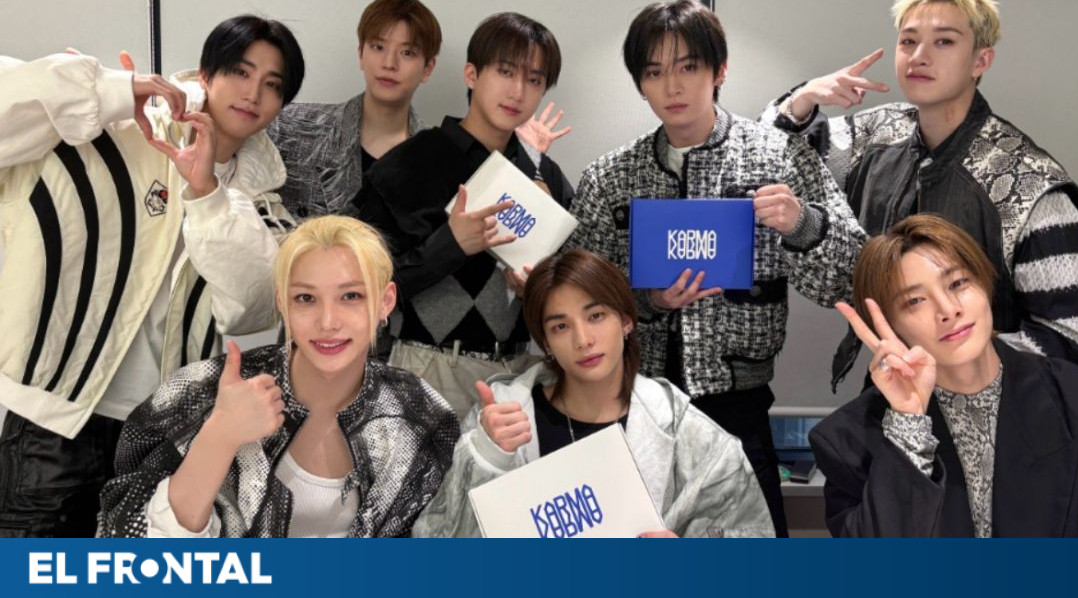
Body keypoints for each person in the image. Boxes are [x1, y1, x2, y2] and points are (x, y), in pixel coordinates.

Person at [568, 0, 866, 537]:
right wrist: (648, 302)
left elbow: (849, 278)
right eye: (654, 72)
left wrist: (802, 224)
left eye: (688, 66)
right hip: (635, 407)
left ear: (719, 70)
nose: (672, 86)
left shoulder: (779, 158)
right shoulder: (609, 178)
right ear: (640, 84)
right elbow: (579, 302)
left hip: (740, 408)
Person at [0, 15, 302, 537]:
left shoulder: (261, 199)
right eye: (240, 71)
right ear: (206, 73)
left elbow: (252, 304)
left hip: (161, 434)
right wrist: (108, 91)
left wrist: (206, 194)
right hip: (53, 419)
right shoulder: (110, 127)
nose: (253, 93)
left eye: (272, 85)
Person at [765, 0, 1078, 388]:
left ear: (981, 61)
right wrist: (803, 100)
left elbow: (1073, 332)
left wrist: (952, 370)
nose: (919, 57)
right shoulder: (876, 134)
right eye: (909, 41)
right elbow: (766, 160)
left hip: (997, 406)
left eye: (944, 41)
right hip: (891, 387)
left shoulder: (1029, 181)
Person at [98, 216, 459, 537]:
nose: (328, 322)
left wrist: (487, 453)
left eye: (351, 296)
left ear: (385, 301)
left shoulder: (421, 414)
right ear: (283, 302)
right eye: (306, 298)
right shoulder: (200, 390)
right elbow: (133, 553)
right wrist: (219, 435)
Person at [811, 214, 1078, 537]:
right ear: (890, 326)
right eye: (915, 301)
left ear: (985, 284)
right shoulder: (846, 440)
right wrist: (908, 424)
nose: (948, 310)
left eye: (958, 283)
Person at [412, 249, 773, 538]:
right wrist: (486, 459)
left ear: (626, 321)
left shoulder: (691, 436)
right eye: (560, 326)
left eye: (596, 316)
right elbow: (436, 545)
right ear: (546, 342)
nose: (583, 340)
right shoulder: (500, 422)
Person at [353, 12, 575, 419]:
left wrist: (539, 288)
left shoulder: (544, 176)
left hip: (520, 373)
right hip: (431, 366)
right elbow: (363, 284)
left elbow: (574, 283)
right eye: (505, 72)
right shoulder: (412, 161)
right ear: (472, 74)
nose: (517, 91)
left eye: (534, 80)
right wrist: (451, 244)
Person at [267, 0, 571, 220]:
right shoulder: (292, 125)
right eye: (378, 47)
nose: (389, 63)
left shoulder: (435, 155)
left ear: (428, 68)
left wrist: (527, 162)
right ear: (360, 53)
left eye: (408, 53)